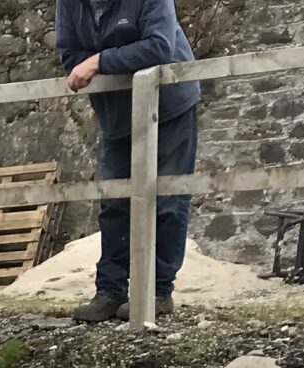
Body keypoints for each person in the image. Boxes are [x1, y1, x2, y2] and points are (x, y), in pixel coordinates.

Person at [54, 0, 201, 325]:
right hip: (116, 113)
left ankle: (158, 293)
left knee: (168, 200)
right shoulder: (69, 3)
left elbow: (159, 46)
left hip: (169, 106)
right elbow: (69, 56)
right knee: (114, 203)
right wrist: (100, 64)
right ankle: (110, 291)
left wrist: (100, 61)